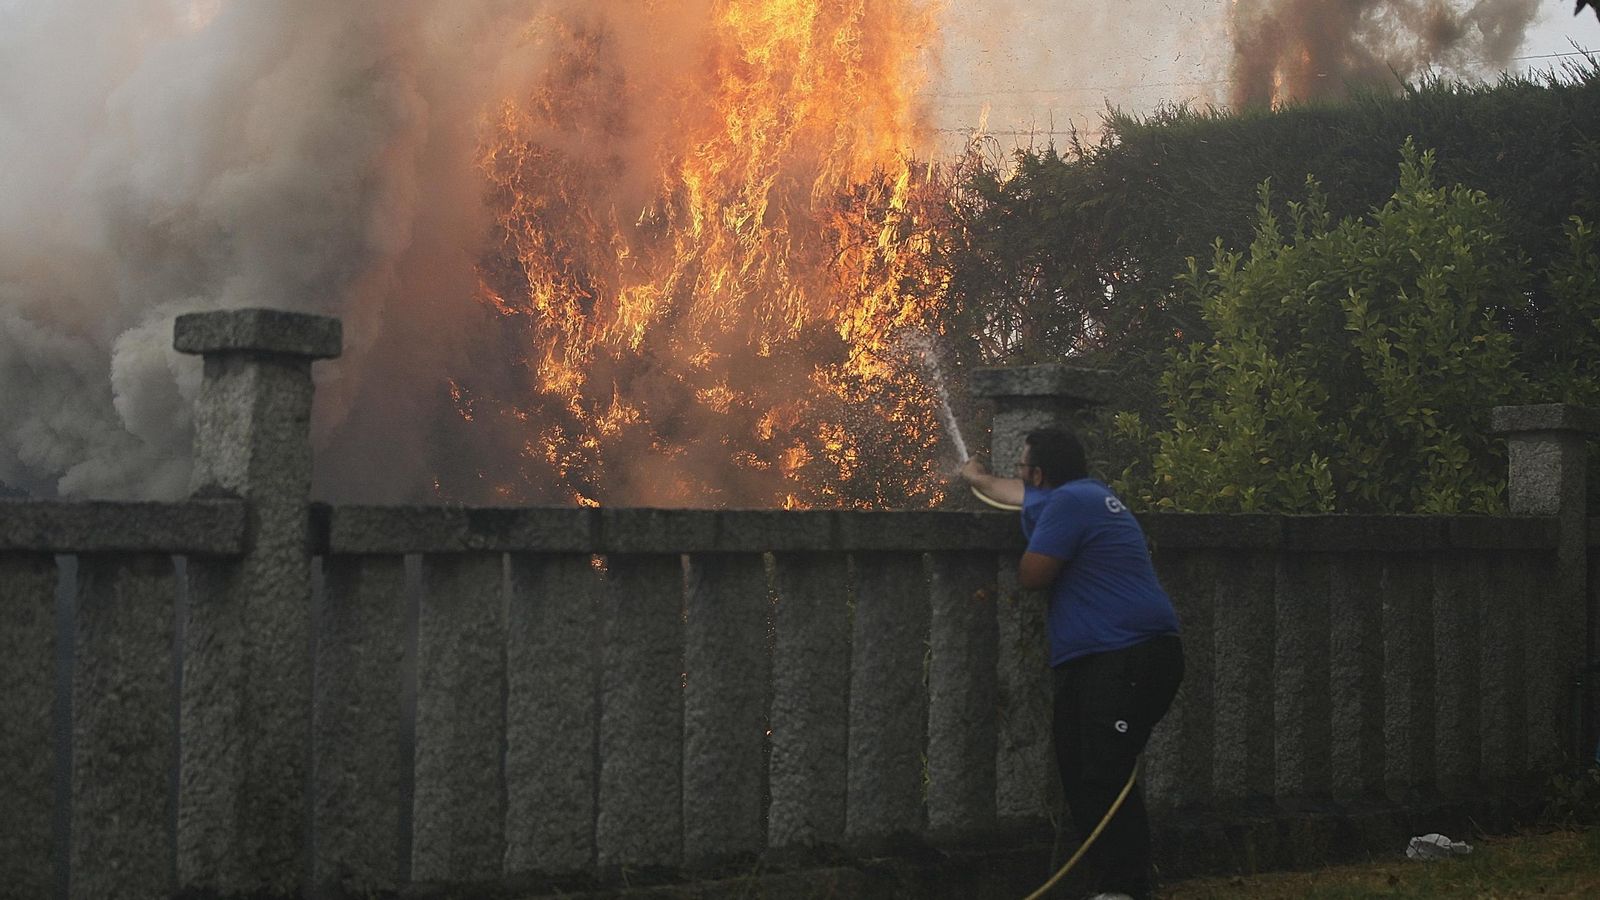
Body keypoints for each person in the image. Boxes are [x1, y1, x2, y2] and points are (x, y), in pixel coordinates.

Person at [960, 428, 1183, 900]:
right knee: (1078, 766)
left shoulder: (1067, 505)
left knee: (1105, 769)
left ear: (1040, 473)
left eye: (1023, 467)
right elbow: (1010, 491)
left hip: (1130, 654)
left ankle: (1129, 886)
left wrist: (1032, 538)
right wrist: (974, 475)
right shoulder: (1081, 495)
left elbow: (1033, 574)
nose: (1019, 475)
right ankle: (1111, 884)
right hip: (1099, 658)